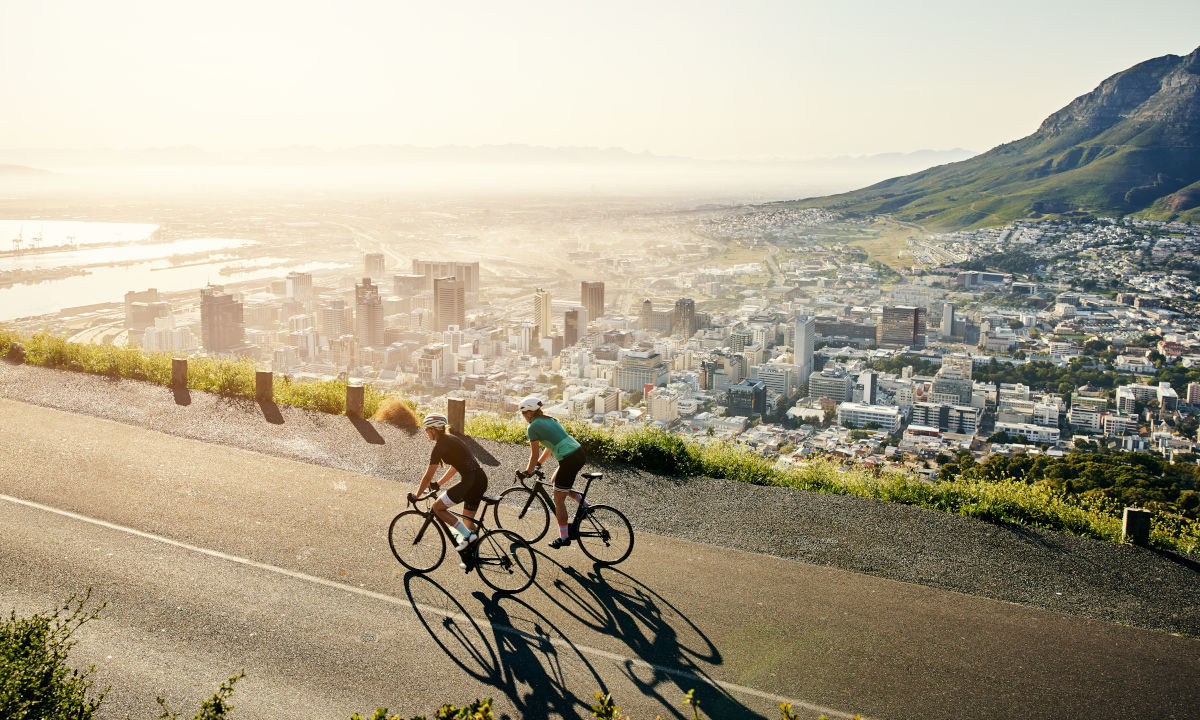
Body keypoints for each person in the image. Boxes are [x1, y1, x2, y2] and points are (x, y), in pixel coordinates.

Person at [517, 395, 587, 549]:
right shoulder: (550, 419)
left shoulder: (533, 427)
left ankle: (564, 538)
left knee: (558, 499)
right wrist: (539, 465)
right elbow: (549, 448)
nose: (523, 417)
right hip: (578, 452)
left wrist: (527, 473)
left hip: (568, 459)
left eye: (523, 414)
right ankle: (584, 504)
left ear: (529, 412)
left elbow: (534, 454)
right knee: (557, 482)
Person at [412, 412, 488, 552]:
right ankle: (473, 554)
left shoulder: (439, 447)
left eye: (428, 429)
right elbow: (454, 467)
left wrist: (417, 496)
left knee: (437, 508)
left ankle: (469, 537)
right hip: (480, 479)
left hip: (470, 482)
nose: (426, 431)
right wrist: (439, 484)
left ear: (434, 429)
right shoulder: (452, 439)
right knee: (467, 521)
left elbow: (427, 477)